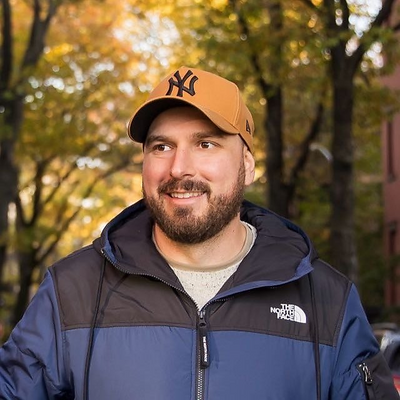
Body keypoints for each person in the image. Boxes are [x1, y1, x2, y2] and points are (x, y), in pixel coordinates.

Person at [0, 66, 398, 400]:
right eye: (161, 147)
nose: (178, 168)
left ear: (247, 164)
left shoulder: (326, 300)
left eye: (205, 144)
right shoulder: (72, 293)